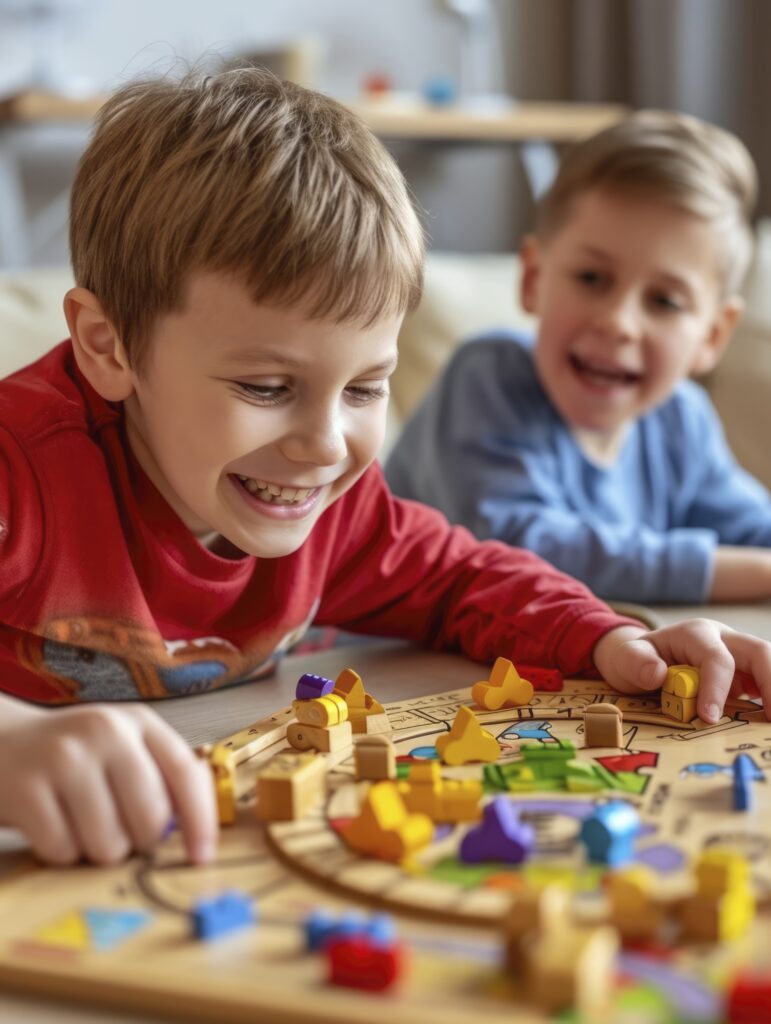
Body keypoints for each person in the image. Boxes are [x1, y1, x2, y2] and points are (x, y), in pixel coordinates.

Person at [0, 77, 767, 871]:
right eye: (266, 388)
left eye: (366, 389)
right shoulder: (19, 472)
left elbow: (465, 577)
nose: (325, 445)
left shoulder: (332, 505)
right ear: (108, 347)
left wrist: (614, 639)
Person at [386, 110, 771, 605]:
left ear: (712, 337)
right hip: (388, 668)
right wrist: (747, 572)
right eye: (592, 278)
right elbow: (523, 548)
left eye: (665, 302)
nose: (619, 322)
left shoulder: (683, 420)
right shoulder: (487, 378)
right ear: (532, 279)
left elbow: (753, 527)